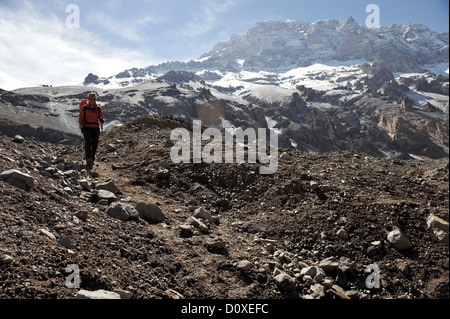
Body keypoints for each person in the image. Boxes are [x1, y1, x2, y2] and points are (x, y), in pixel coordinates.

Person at [79, 92, 105, 169]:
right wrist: (81, 124)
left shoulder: (98, 108)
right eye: (91, 99)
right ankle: (88, 159)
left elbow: (101, 118)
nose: (93, 101)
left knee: (95, 143)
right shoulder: (84, 108)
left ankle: (92, 157)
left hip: (95, 127)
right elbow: (81, 117)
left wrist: (101, 120)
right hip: (86, 127)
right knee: (88, 142)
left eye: (94, 99)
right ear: (89, 99)